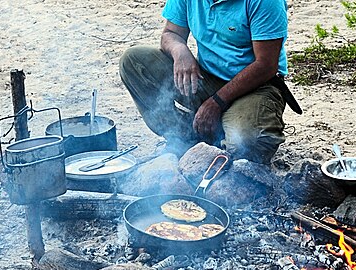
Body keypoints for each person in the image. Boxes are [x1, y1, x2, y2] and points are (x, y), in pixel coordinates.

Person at [119, 0, 300, 164]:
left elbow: (266, 65)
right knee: (134, 61)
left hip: (256, 86)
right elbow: (171, 33)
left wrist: (216, 102)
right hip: (206, 77)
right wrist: (180, 52)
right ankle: (187, 139)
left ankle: (227, 132)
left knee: (247, 143)